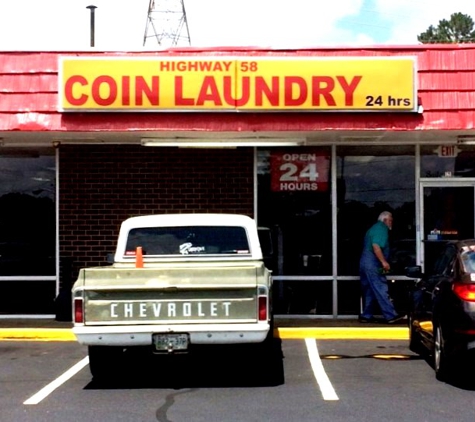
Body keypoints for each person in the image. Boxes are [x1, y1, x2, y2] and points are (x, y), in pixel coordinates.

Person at [359, 211, 405, 324]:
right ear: (384, 220)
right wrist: (384, 262)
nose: (391, 222)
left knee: (370, 290)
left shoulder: (373, 228)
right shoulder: (381, 229)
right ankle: (391, 315)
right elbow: (376, 246)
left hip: (364, 263)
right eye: (390, 220)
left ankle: (366, 315)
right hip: (373, 264)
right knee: (380, 288)